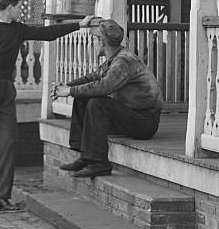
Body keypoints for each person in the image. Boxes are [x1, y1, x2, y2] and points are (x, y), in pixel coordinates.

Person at [0, 0, 94, 213]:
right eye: (19, 7)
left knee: (9, 141)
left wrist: (79, 25)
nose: (21, 11)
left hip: (5, 89)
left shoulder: (17, 29)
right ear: (9, 7)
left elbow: (46, 34)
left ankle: (0, 197)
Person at [51, 18, 162, 178]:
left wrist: (70, 90)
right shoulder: (115, 58)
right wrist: (67, 86)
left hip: (145, 123)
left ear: (102, 42)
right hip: (132, 117)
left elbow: (104, 86)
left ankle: (100, 163)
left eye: (96, 39)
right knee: (83, 97)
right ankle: (85, 156)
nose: (94, 43)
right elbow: (93, 77)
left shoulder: (123, 61)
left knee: (97, 103)